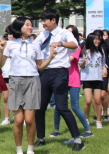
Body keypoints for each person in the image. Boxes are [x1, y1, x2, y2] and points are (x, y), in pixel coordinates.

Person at [1, 17, 56, 154]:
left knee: (30, 119)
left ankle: (30, 148)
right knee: (18, 120)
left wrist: (50, 57)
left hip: (32, 80)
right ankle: (19, 149)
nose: (30, 27)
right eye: (27, 25)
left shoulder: (35, 44)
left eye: (31, 25)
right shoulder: (10, 44)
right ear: (19, 27)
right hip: (15, 80)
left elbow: (40, 67)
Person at [34, 9, 84, 151]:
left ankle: (78, 140)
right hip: (44, 72)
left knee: (62, 107)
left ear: (53, 20)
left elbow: (75, 45)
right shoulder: (43, 35)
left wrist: (60, 44)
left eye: (45, 20)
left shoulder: (64, 33)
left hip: (60, 72)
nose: (43, 23)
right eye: (42, 20)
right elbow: (35, 46)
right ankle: (41, 138)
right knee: (40, 107)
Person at [50, 25, 93, 140]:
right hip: (60, 78)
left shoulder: (76, 47)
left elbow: (70, 59)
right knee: (58, 107)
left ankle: (88, 130)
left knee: (75, 106)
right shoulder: (59, 47)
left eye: (70, 33)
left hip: (73, 78)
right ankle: (56, 130)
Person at [80, 32, 107, 129]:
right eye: (95, 39)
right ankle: (86, 119)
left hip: (98, 78)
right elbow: (80, 65)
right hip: (87, 78)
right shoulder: (84, 51)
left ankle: (99, 121)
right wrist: (84, 61)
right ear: (91, 40)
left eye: (99, 39)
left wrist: (104, 67)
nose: (98, 41)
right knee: (88, 101)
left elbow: (103, 63)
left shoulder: (100, 52)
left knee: (97, 100)